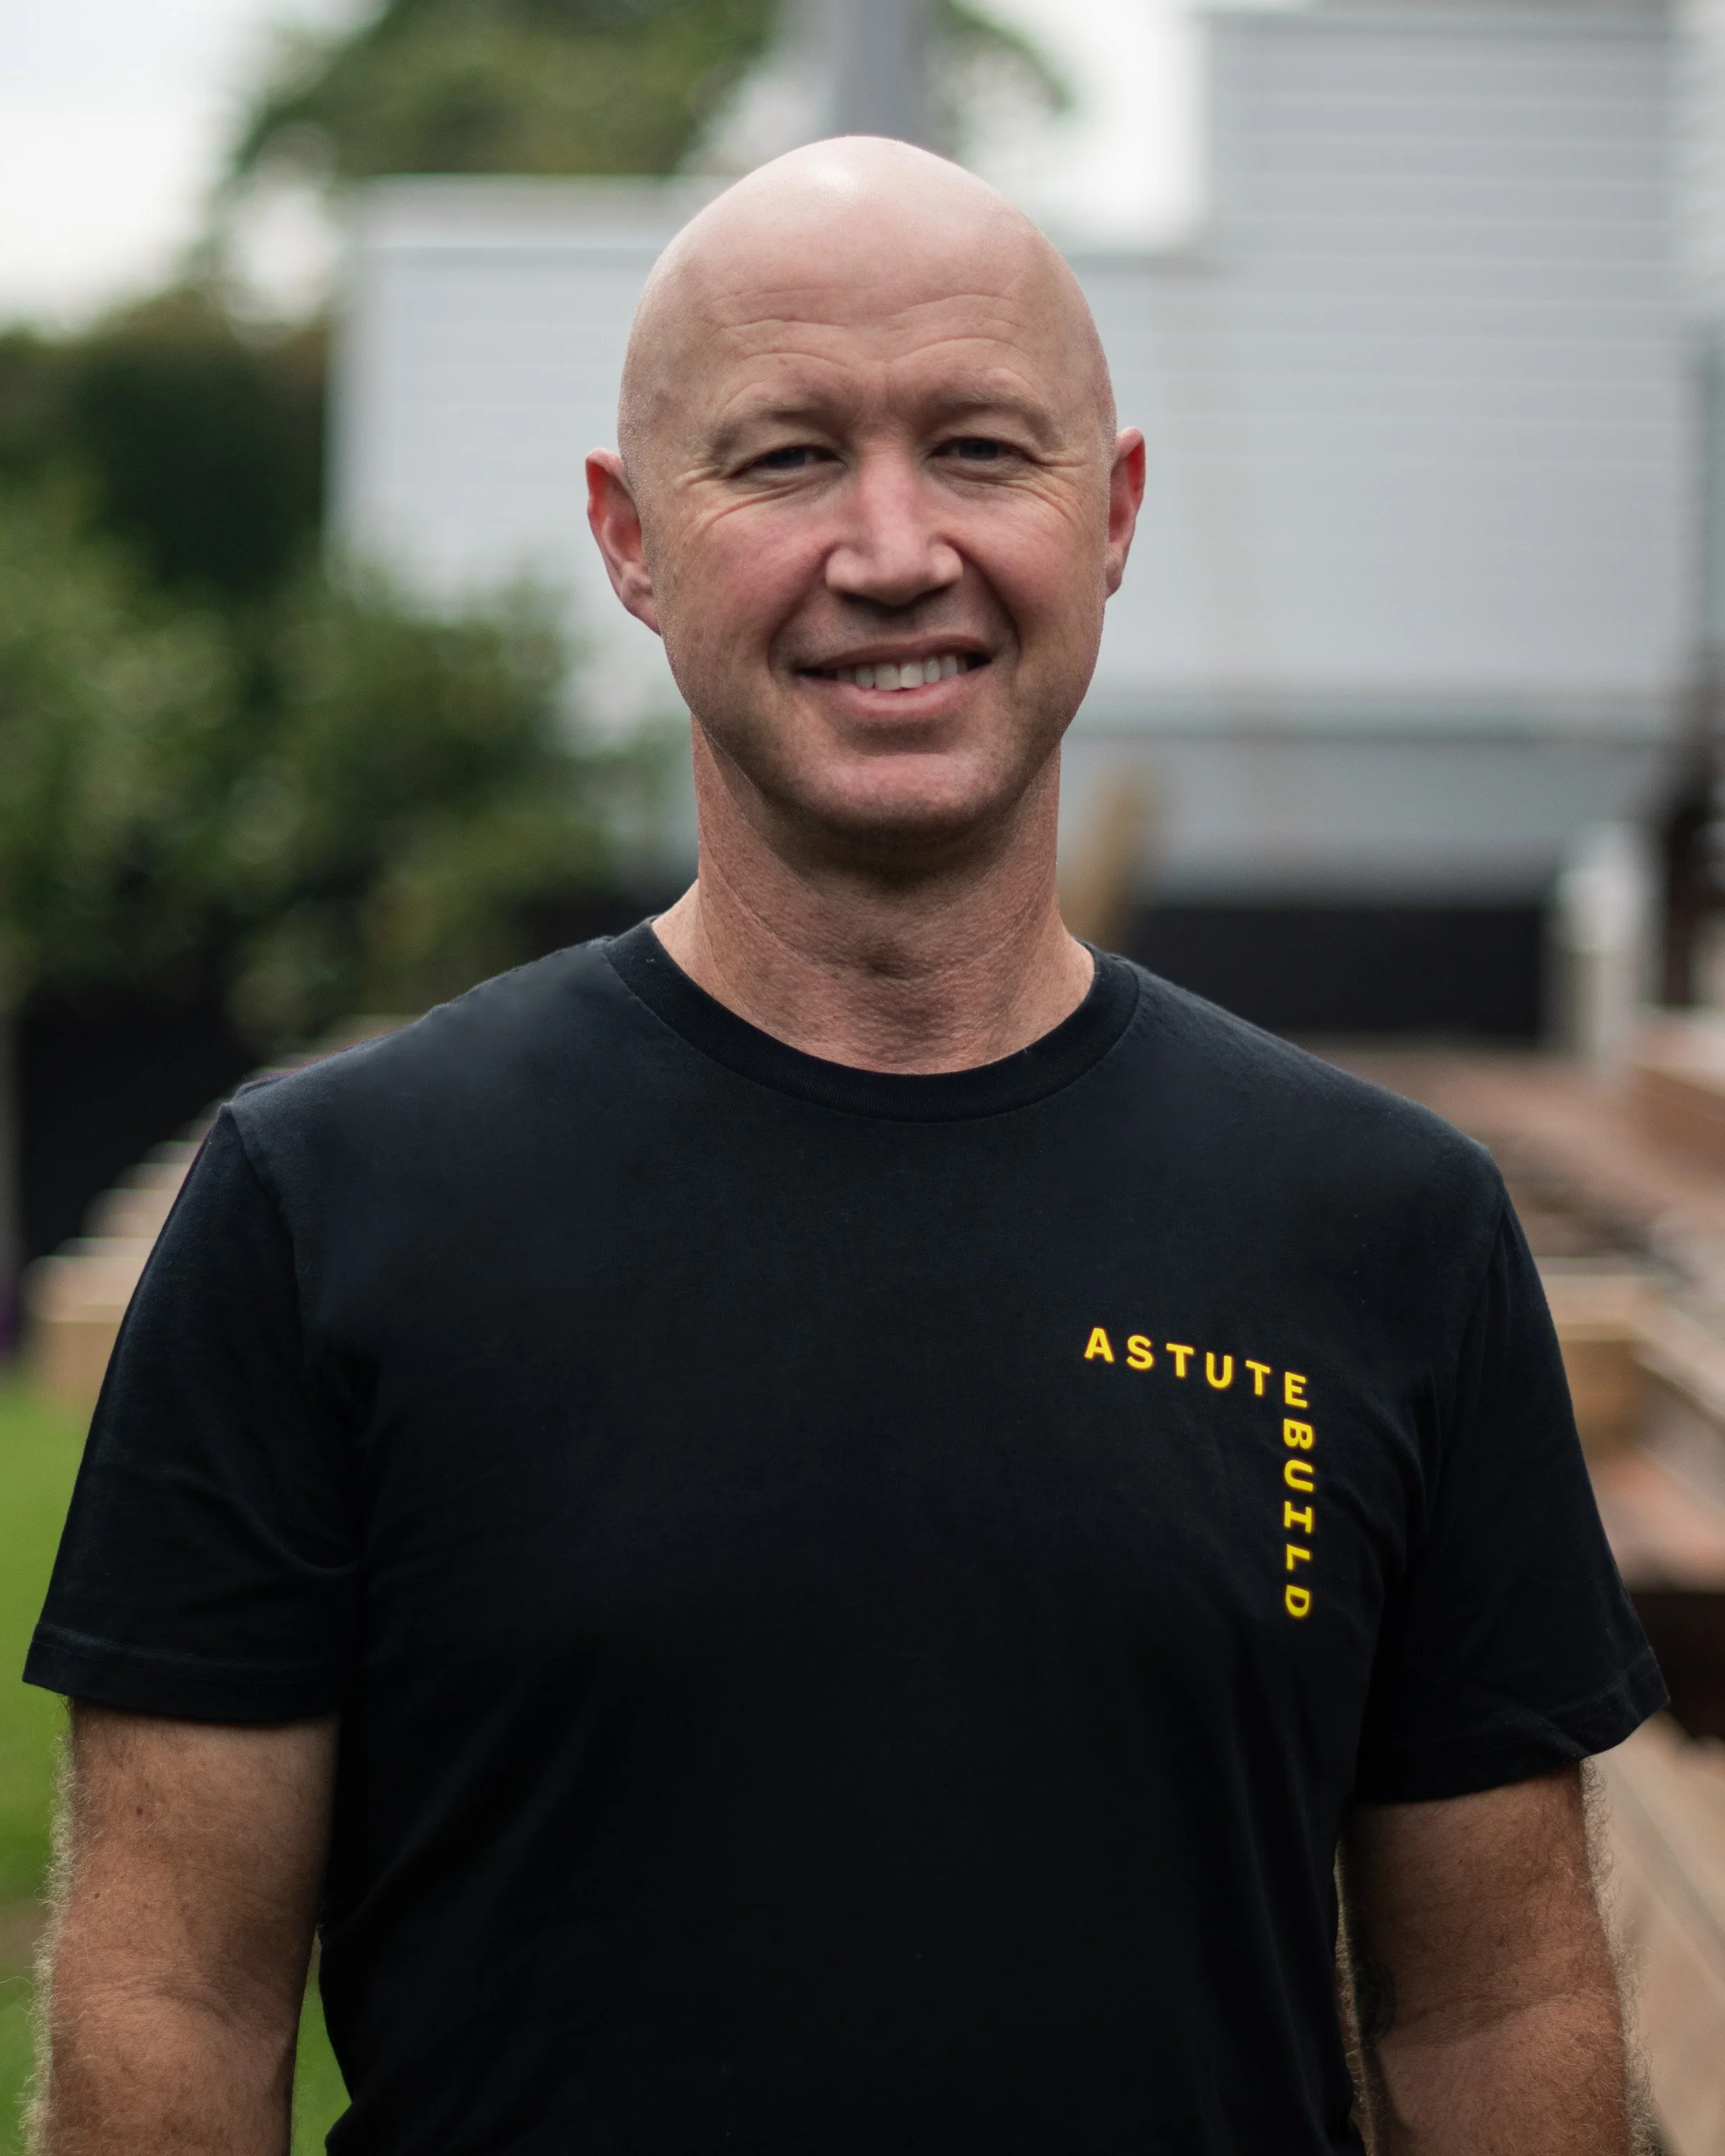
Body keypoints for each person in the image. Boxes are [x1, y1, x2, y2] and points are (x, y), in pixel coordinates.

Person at [27, 138, 1661, 2156]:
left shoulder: (1388, 1233)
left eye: (980, 449)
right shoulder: (324, 1211)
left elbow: (1494, 2015)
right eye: (786, 459)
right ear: (629, 539)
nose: (895, 550)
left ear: (1117, 510)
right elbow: (171, 2010)